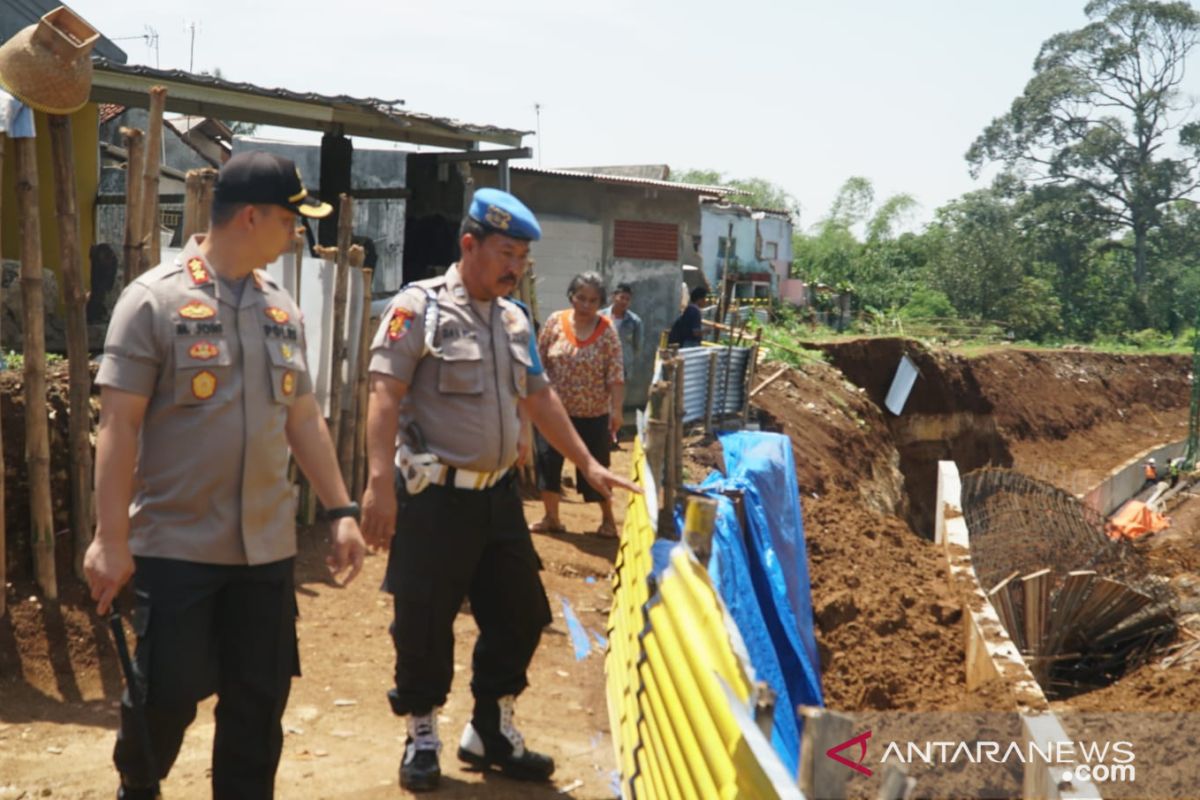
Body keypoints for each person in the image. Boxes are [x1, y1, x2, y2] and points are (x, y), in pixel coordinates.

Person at [83, 151, 367, 800]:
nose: (299, 232)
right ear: (251, 217)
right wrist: (109, 538)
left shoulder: (281, 307)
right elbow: (119, 426)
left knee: (257, 702)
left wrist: (341, 510)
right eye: (292, 219)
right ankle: (139, 789)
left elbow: (302, 416)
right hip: (176, 545)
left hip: (266, 550)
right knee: (166, 695)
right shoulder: (153, 301)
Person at [361, 188, 637, 793]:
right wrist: (379, 483)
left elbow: (539, 398)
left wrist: (587, 463)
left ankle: (489, 728)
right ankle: (423, 732)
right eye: (507, 253)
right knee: (424, 622)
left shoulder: (515, 319)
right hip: (433, 499)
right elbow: (383, 396)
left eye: (523, 257)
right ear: (470, 245)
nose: (516, 267)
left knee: (520, 616)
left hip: (497, 499)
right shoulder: (420, 309)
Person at [532, 272, 625, 539]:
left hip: (593, 414)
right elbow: (538, 364)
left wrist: (616, 410)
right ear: (571, 295)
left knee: (596, 467)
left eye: (593, 300)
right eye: (580, 298)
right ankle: (551, 518)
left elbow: (616, 375)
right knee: (548, 464)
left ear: (600, 303)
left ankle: (608, 521)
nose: (585, 305)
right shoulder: (554, 323)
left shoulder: (607, 331)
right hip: (554, 413)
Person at [600, 282, 643, 384]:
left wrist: (628, 357)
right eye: (622, 297)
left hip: (622, 366)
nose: (624, 301)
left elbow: (638, 346)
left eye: (627, 299)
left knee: (619, 398)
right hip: (602, 364)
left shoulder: (635, 321)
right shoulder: (600, 317)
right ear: (614, 297)